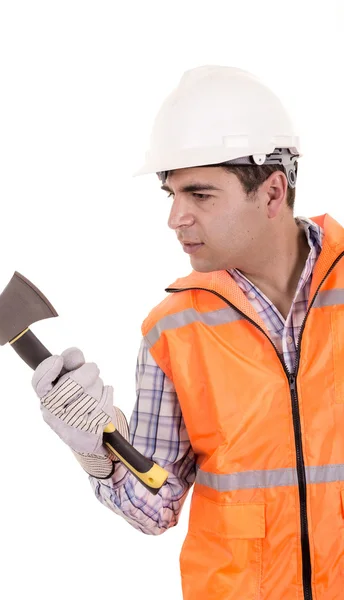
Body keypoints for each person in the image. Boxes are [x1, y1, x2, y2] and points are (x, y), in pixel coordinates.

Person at [31, 66, 344, 600]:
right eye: (171, 194)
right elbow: (157, 509)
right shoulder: (173, 329)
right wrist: (100, 454)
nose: (176, 218)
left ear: (273, 193)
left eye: (200, 194)